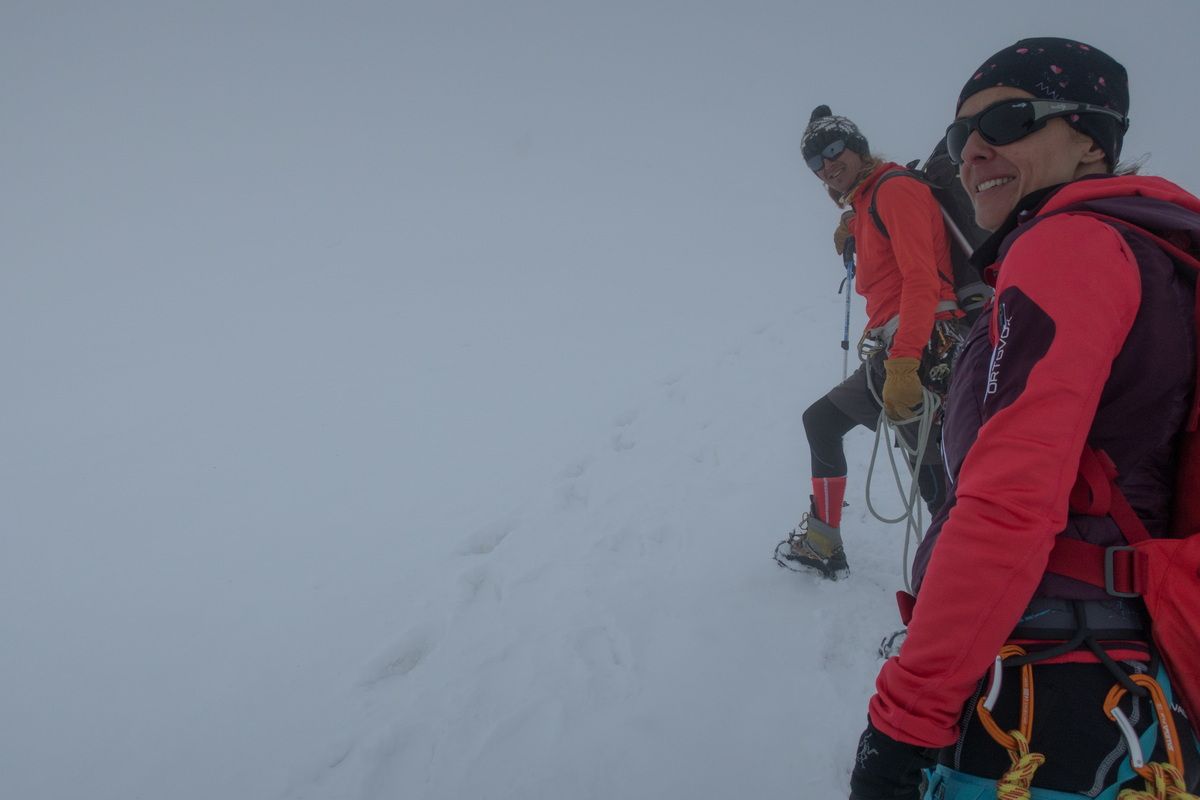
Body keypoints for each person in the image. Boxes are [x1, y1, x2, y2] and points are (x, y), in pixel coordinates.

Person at [848, 38, 1200, 799]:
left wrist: (903, 722)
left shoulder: (1067, 246)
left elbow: (1011, 500)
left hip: (1048, 687)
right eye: (958, 136)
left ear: (1089, 139)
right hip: (1141, 688)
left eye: (1007, 120)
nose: (973, 151)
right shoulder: (1159, 254)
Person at [781, 106, 964, 580]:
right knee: (821, 421)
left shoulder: (895, 189)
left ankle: (953, 605)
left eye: (834, 149)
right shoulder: (868, 201)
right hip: (894, 349)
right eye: (815, 160)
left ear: (858, 147)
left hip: (921, 348)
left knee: (938, 483)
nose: (826, 163)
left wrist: (904, 365)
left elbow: (922, 281)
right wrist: (853, 228)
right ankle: (823, 543)